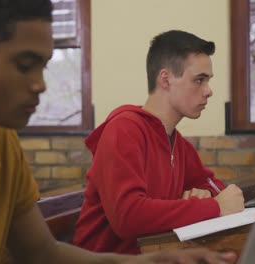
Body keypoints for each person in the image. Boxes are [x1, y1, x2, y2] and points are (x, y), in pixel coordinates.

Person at [0, 0, 238, 263]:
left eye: (44, 66)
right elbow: (128, 216)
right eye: (24, 65)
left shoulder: (2, 142)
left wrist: (155, 262)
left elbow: (43, 254)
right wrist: (209, 206)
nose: (40, 85)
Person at [74, 30, 245, 254]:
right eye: (199, 80)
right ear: (166, 79)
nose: (209, 91)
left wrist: (202, 194)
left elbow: (214, 187)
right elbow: (129, 216)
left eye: (208, 81)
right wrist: (213, 207)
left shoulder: (176, 142)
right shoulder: (124, 130)